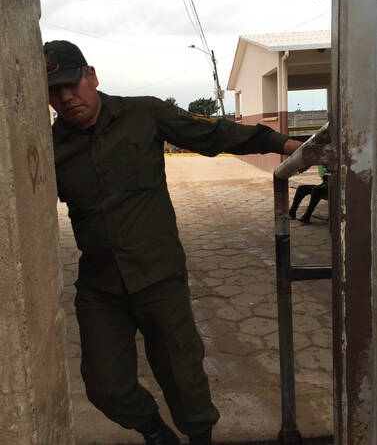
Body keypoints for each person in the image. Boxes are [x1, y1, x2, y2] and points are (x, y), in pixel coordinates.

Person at [44, 40, 301, 445]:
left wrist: (282, 144)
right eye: (53, 91)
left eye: (71, 83)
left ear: (91, 76)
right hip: (100, 285)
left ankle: (199, 437)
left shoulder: (143, 113)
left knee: (183, 375)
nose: (66, 97)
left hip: (159, 274)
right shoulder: (48, 148)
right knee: (104, 385)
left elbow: (213, 133)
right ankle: (155, 431)